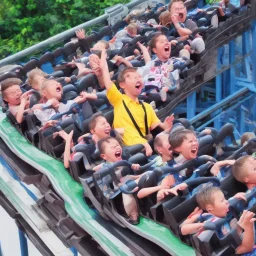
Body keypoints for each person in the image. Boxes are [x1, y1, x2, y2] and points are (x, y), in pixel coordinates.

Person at [100, 49, 174, 156]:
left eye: (139, 77)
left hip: (147, 147)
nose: (137, 79)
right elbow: (108, 83)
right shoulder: (119, 100)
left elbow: (158, 127)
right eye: (132, 77)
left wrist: (166, 126)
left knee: (179, 126)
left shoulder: (147, 107)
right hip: (130, 150)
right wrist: (103, 64)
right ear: (122, 85)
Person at [180, 186, 256, 255]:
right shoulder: (207, 218)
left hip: (239, 242)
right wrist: (202, 225)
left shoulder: (227, 210)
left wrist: (235, 197)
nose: (226, 202)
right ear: (210, 208)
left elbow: (229, 202)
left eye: (225, 198)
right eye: (222, 200)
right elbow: (183, 229)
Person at [97, 137, 143, 224]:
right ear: (104, 156)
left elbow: (128, 172)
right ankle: (133, 214)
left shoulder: (124, 161)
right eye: (113, 147)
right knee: (127, 188)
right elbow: (109, 187)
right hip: (119, 193)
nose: (117, 147)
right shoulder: (106, 170)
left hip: (131, 184)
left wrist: (135, 168)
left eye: (117, 145)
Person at [137, 33, 190, 102]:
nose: (166, 43)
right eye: (162, 42)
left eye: (167, 41)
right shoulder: (151, 65)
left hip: (172, 93)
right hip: (152, 94)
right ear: (155, 50)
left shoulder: (176, 61)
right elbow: (144, 68)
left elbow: (187, 67)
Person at [33, 79, 97, 125]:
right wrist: (49, 105)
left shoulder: (69, 102)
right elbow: (39, 114)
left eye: (58, 83)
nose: (58, 84)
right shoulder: (43, 109)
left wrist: (88, 96)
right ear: (44, 93)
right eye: (53, 84)